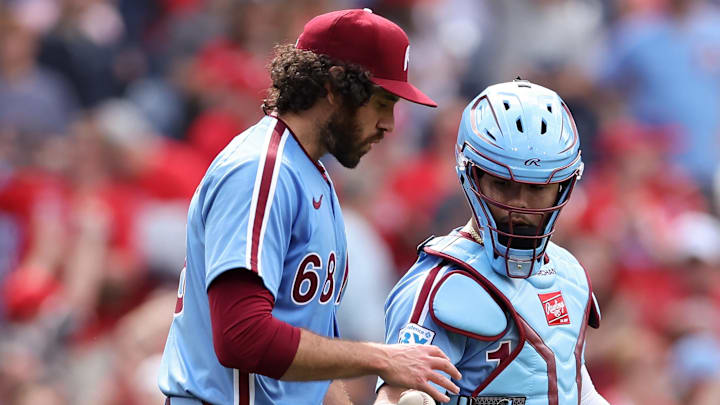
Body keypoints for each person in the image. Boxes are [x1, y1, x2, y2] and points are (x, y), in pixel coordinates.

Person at [158, 8, 461, 405]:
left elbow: (312, 366)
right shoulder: (261, 170)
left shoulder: (312, 175)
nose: (390, 124)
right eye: (382, 102)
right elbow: (241, 336)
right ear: (335, 87)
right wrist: (381, 359)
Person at [375, 79, 609, 405]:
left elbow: (574, 387)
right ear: (472, 177)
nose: (522, 204)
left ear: (563, 185)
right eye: (504, 184)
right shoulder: (440, 284)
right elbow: (397, 392)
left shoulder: (569, 272)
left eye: (537, 187)